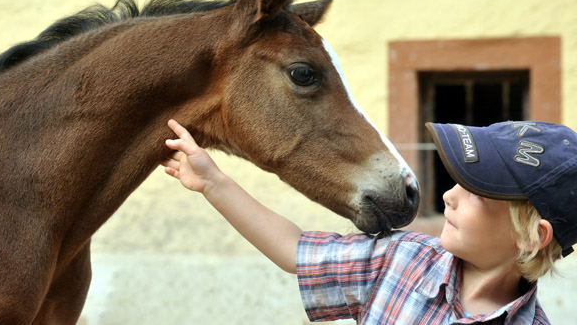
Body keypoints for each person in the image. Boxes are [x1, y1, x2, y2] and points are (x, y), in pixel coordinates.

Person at [161, 119, 577, 324]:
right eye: (457, 182)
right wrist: (212, 182)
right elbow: (294, 250)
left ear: (531, 237)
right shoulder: (399, 259)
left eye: (477, 191)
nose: (449, 196)